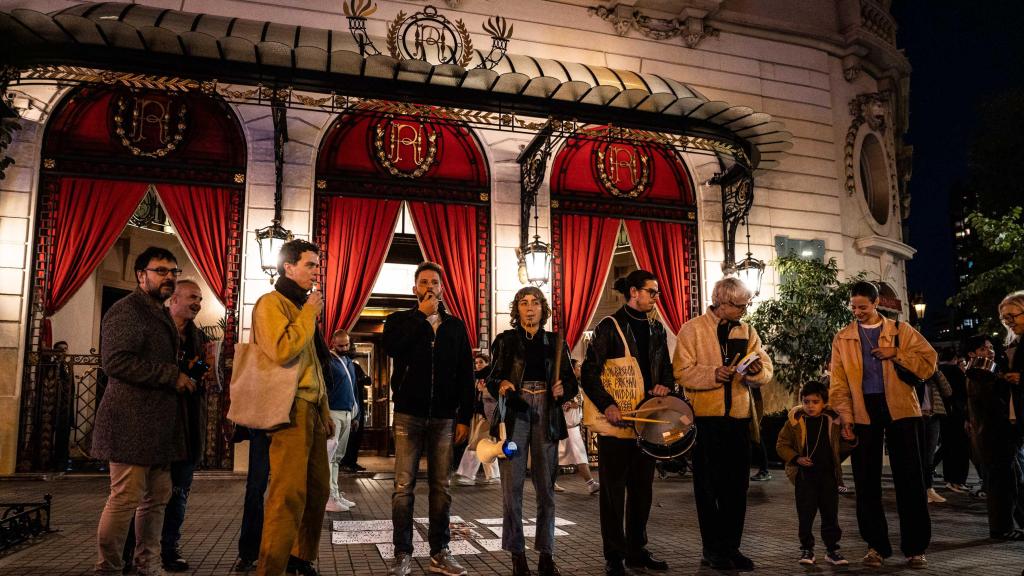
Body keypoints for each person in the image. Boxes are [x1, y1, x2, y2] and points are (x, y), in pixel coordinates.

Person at [92, 247, 193, 576]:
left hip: (158, 427)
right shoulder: (127, 311)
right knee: (124, 499)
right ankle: (107, 568)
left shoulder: (159, 312)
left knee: (156, 499)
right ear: (141, 275)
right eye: (160, 271)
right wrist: (170, 375)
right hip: (130, 422)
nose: (168, 277)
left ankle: (146, 565)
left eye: (172, 271)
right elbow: (116, 362)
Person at [830, 281, 936, 569]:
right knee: (865, 481)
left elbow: (929, 363)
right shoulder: (843, 337)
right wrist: (846, 418)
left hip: (902, 409)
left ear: (876, 304)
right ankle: (875, 546)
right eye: (853, 307)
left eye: (862, 307)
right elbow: (838, 382)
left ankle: (915, 548)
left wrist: (896, 354)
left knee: (910, 480)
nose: (857, 312)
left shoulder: (900, 331)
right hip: (864, 411)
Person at [673, 276, 773, 571]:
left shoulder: (748, 330)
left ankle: (732, 547)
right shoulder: (691, 330)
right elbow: (681, 371)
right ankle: (712, 549)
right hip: (706, 420)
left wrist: (755, 372)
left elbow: (766, 368)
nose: (745, 310)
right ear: (724, 303)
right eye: (741, 305)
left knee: (737, 487)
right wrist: (713, 374)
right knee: (707, 488)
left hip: (739, 419)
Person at [383, 261, 474, 576]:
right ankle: (402, 553)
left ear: (442, 288)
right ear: (414, 289)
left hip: (445, 418)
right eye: (423, 282)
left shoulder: (456, 326)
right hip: (409, 414)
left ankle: (440, 552)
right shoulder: (399, 321)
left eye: (434, 282)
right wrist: (421, 316)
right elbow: (392, 348)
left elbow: (466, 373)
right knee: (403, 487)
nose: (429, 287)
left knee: (442, 486)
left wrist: (465, 416)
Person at [250, 239, 333, 576]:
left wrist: (325, 412)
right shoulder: (272, 303)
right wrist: (310, 312)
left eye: (316, 265)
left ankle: (301, 557)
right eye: (310, 265)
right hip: (290, 407)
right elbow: (283, 350)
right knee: (288, 493)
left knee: (317, 490)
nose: (316, 271)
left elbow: (315, 365)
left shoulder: (300, 307)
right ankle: (271, 567)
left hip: (311, 407)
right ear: (288, 267)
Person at [582, 270, 673, 576]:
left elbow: (667, 370)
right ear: (634, 292)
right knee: (612, 493)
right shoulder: (609, 326)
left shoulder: (657, 329)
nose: (656, 297)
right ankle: (614, 555)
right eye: (652, 291)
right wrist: (607, 404)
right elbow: (589, 372)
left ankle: (637, 550)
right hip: (616, 424)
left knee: (642, 491)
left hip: (648, 422)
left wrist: (664, 386)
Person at [123, 279, 213, 572]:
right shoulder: (157, 332)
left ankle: (169, 548)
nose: (197, 303)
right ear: (173, 299)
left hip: (187, 426)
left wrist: (201, 368)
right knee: (140, 495)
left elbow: (199, 378)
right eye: (192, 297)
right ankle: (131, 552)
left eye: (199, 298)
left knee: (178, 493)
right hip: (155, 426)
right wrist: (177, 375)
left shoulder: (198, 337)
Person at [486, 287, 577, 576]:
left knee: (546, 490)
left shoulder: (556, 341)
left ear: (543, 308)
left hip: (547, 413)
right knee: (511, 490)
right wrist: (501, 385)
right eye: (523, 303)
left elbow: (572, 383)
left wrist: (563, 389)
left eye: (534, 303)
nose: (529, 308)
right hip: (516, 414)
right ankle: (517, 556)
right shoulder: (506, 341)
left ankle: (546, 555)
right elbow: (492, 378)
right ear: (517, 309)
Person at [968, 291, 1024, 540]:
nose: (1009, 321)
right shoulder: (1011, 345)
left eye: (1012, 316)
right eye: (1004, 318)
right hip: (1010, 420)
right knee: (1009, 474)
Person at [776, 381, 850, 566]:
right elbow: (781, 444)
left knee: (830, 514)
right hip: (805, 477)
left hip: (828, 476)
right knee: (806, 514)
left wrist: (852, 440)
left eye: (815, 402)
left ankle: (832, 550)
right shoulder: (794, 421)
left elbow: (841, 448)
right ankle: (807, 549)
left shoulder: (833, 420)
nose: (810, 406)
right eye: (806, 401)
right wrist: (796, 458)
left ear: (824, 402)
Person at [325, 329, 360, 512]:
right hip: (333, 412)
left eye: (347, 344)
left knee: (337, 457)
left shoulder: (348, 362)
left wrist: (356, 415)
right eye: (341, 345)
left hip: (347, 412)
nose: (345, 348)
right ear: (332, 343)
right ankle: (329, 496)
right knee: (330, 456)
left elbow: (354, 390)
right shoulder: (328, 362)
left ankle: (336, 494)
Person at [554, 359, 600, 495]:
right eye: (578, 367)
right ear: (572, 369)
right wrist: (570, 404)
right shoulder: (565, 386)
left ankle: (590, 484)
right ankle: (590, 483)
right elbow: (561, 403)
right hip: (566, 426)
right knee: (563, 456)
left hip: (572, 426)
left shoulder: (577, 385)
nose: (580, 369)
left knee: (571, 455)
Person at [455, 353, 500, 486]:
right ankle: (493, 475)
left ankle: (467, 475)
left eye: (481, 362)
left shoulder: (491, 377)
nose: (478, 365)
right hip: (477, 415)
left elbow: (496, 395)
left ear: (487, 363)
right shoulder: (475, 377)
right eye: (476, 363)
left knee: (476, 443)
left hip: (487, 415)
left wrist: (484, 390)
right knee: (487, 445)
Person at [935, 348, 974, 493]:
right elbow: (964, 394)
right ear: (955, 359)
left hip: (942, 414)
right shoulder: (956, 372)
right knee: (960, 449)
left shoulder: (937, 370)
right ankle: (958, 481)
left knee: (947, 447)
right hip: (957, 415)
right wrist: (967, 417)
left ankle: (949, 479)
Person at [232, 427, 269, 573]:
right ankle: (249, 554)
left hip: (290, 427)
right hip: (262, 427)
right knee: (254, 490)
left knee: (290, 493)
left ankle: (293, 555)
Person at [921, 366, 952, 503]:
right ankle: (921, 489)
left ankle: (929, 489)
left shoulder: (933, 375)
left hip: (933, 416)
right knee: (919, 454)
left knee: (929, 455)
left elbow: (948, 391)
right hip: (916, 417)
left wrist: (936, 372)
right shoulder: (912, 371)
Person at [749, 386, 773, 482]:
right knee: (755, 440)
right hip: (749, 407)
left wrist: (757, 421)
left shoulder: (750, 377)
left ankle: (764, 471)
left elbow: (758, 400)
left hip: (753, 407)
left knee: (757, 439)